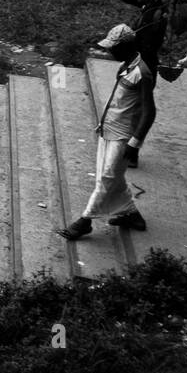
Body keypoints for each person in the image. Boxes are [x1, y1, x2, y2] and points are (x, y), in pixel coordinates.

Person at [57, 24, 156, 240]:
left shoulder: (142, 73)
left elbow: (149, 112)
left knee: (107, 177)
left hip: (124, 135)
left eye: (114, 47)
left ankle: (85, 221)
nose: (110, 51)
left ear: (126, 47)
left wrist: (135, 143)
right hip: (109, 129)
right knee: (111, 175)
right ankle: (130, 213)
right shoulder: (126, 65)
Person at [101, 0, 168, 95]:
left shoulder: (152, 17)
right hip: (141, 64)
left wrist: (127, 62)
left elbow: (146, 47)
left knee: (134, 103)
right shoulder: (152, 2)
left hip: (142, 68)